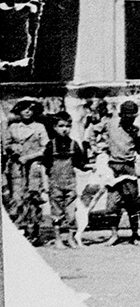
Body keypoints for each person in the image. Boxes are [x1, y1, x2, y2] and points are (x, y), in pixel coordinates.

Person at [104, 100, 140, 246]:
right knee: (112, 202)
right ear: (120, 115)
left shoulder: (135, 130)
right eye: (128, 116)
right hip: (114, 167)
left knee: (132, 202)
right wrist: (96, 145)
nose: (131, 119)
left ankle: (135, 235)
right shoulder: (110, 125)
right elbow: (93, 130)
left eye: (133, 117)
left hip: (129, 167)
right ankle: (114, 235)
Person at [3, 98, 49, 243]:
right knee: (17, 198)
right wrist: (13, 149)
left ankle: (33, 232)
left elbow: (45, 148)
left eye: (31, 109)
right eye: (24, 109)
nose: (28, 112)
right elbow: (6, 145)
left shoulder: (39, 127)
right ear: (19, 111)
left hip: (34, 167)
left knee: (33, 197)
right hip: (16, 167)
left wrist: (29, 157)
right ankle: (18, 231)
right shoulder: (13, 127)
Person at [41, 111, 89, 248]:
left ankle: (70, 238)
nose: (65, 129)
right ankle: (58, 239)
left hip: (70, 184)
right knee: (56, 211)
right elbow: (45, 166)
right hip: (55, 184)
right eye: (61, 126)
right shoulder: (51, 146)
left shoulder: (74, 145)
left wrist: (91, 167)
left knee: (71, 211)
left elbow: (79, 164)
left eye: (68, 126)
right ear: (54, 127)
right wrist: (45, 185)